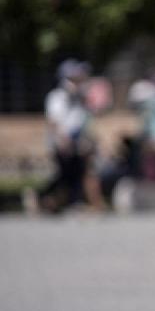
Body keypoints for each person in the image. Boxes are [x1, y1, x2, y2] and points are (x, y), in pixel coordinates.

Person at [28, 59, 107, 213]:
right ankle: (41, 198)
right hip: (63, 143)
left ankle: (60, 201)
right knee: (66, 175)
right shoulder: (57, 97)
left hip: (77, 143)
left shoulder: (79, 98)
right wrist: (64, 140)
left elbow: (84, 120)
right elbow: (54, 122)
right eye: (74, 79)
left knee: (75, 174)